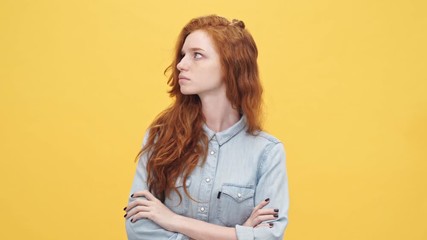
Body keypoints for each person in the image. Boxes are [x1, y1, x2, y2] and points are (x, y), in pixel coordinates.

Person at [123, 15, 289, 240]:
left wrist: (174, 221)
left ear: (230, 65)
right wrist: (236, 235)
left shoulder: (267, 153)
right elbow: (138, 230)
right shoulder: (160, 137)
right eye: (183, 55)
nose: (181, 64)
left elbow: (270, 237)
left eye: (197, 55)